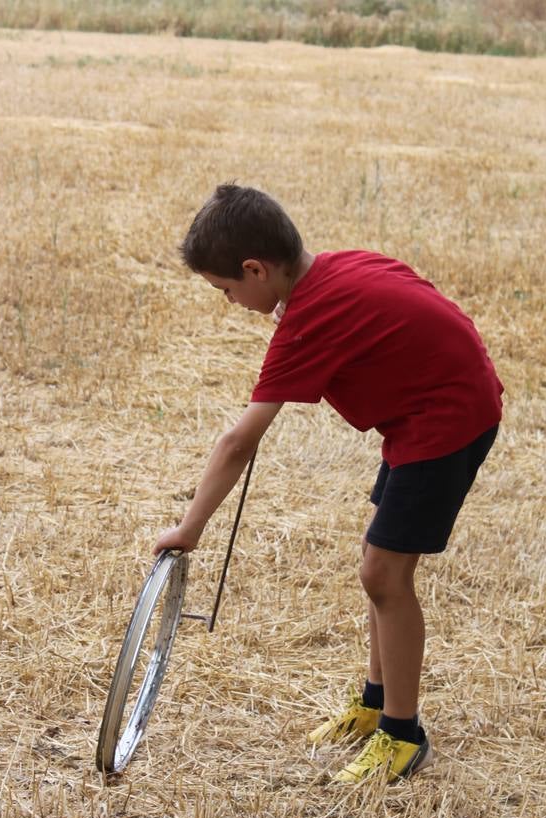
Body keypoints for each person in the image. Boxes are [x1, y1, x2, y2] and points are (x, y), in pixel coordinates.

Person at [153, 184, 502, 784]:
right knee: (377, 563)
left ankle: (402, 735)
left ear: (255, 269)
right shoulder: (339, 269)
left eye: (227, 290)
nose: (230, 302)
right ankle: (374, 704)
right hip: (428, 406)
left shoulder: (309, 321)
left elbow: (239, 441)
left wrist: (190, 528)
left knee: (383, 575)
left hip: (448, 419)